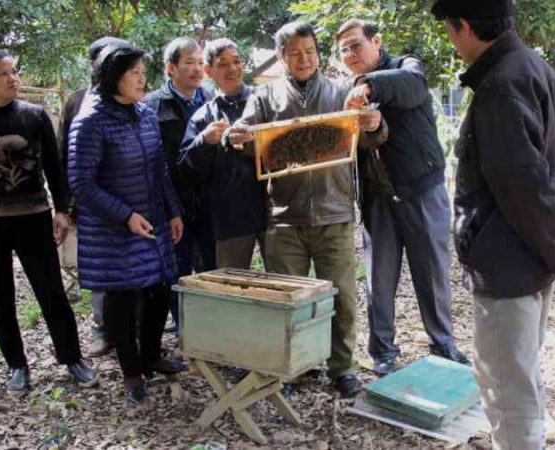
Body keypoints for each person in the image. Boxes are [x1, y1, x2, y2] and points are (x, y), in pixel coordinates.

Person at [430, 1, 555, 447]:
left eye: (449, 29)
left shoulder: (501, 87)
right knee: (521, 375)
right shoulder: (539, 70)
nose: (452, 39)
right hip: (533, 262)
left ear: (463, 26)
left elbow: (527, 189)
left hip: (510, 267)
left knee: (507, 391)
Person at [228, 21, 387, 398]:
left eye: (310, 51)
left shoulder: (340, 91)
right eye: (295, 53)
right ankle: (291, 369)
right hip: (286, 217)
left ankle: (342, 368)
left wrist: (374, 124)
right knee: (286, 302)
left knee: (343, 299)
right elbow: (247, 137)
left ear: (318, 54)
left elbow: (369, 138)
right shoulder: (266, 99)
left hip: (335, 213)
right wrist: (239, 138)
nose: (304, 59)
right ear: (282, 56)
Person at [0, 50, 99, 398]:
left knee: (52, 294)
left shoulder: (34, 117)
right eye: (2, 74)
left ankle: (72, 359)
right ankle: (17, 365)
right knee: (0, 300)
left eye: (14, 72)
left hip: (33, 219)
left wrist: (62, 209)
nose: (13, 79)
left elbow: (54, 169)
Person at [339, 19, 468, 375]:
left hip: (421, 188)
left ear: (376, 41)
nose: (350, 54)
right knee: (378, 280)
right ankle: (382, 351)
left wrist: (367, 85)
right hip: (376, 197)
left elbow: (413, 87)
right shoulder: (344, 92)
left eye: (355, 45)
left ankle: (443, 346)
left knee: (432, 273)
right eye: (344, 50)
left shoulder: (405, 67)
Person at [68, 43, 186, 404]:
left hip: (152, 220)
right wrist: (124, 215)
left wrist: (173, 209)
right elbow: (81, 183)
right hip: (113, 230)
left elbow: (160, 168)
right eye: (133, 72)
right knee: (121, 298)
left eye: (141, 72)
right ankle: (132, 372)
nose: (141, 78)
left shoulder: (144, 113)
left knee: (160, 289)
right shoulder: (91, 121)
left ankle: (151, 354)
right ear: (111, 77)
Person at [57, 36, 130, 358]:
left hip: (131, 200)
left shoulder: (134, 101)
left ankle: (132, 331)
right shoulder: (77, 103)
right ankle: (102, 329)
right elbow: (63, 159)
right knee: (101, 269)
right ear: (94, 64)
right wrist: (66, 206)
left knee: (132, 267)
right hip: (92, 204)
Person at [145, 38, 215, 334]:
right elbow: (154, 163)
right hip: (173, 206)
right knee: (177, 271)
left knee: (213, 269)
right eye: (189, 62)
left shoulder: (212, 100)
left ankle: (214, 331)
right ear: (170, 68)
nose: (197, 69)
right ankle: (184, 331)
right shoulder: (151, 106)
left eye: (200, 62)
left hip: (210, 202)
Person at [178, 38, 267, 269]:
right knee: (233, 289)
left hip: (272, 212)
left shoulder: (265, 101)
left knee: (284, 285)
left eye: (236, 61)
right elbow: (185, 169)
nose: (232, 69)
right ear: (209, 71)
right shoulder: (203, 116)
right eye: (223, 64)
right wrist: (204, 141)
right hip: (228, 218)